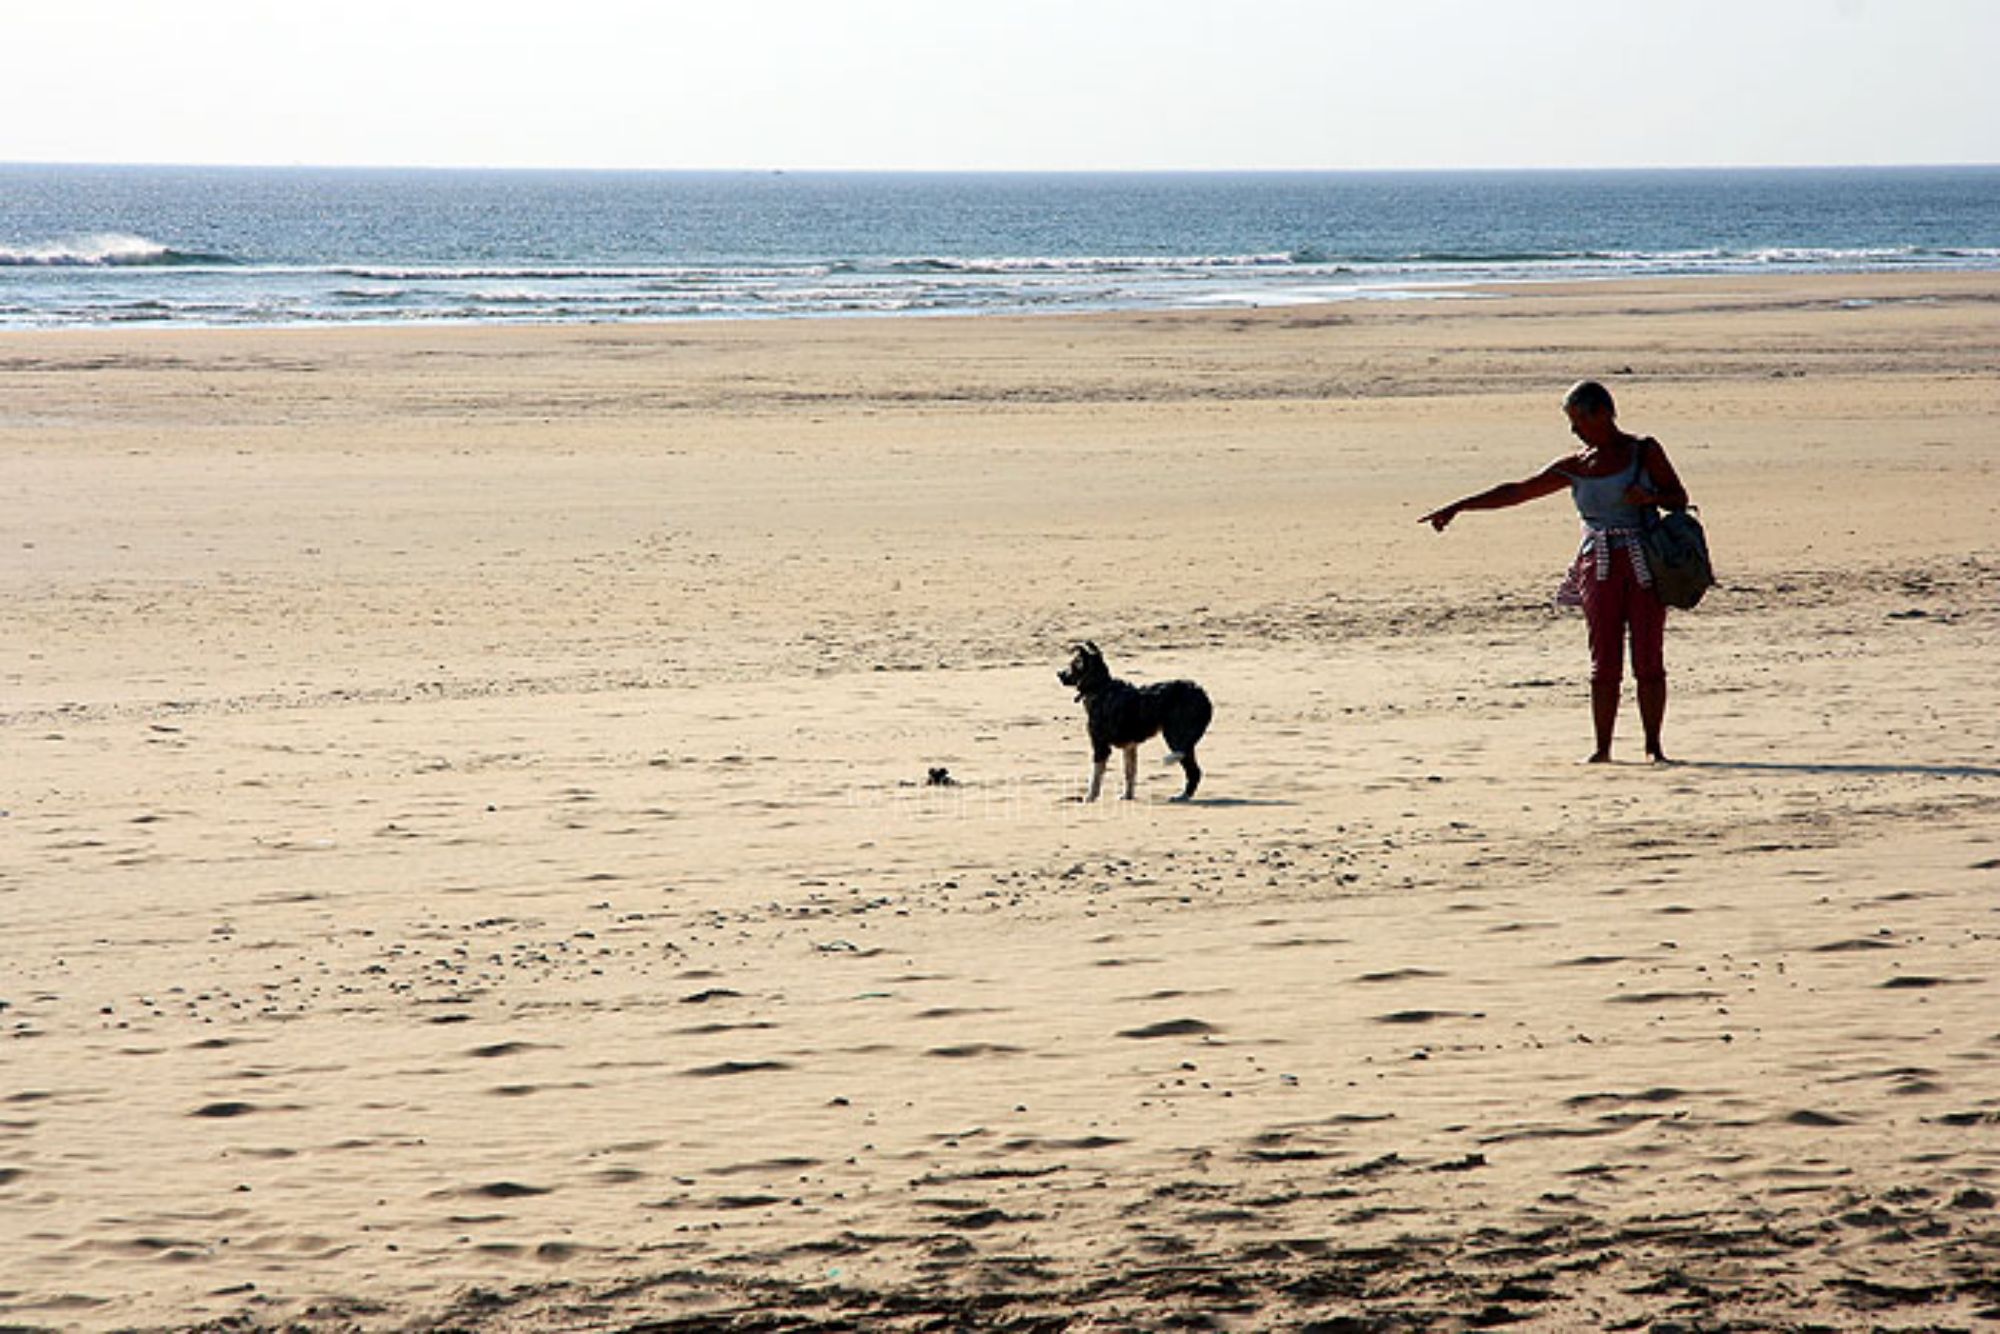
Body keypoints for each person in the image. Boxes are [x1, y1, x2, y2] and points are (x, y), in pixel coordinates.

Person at [1419, 380, 1689, 764]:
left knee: (1648, 659)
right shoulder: (1576, 466)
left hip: (1644, 562)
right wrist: (1459, 507)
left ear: (1603, 413)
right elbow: (1517, 491)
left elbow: (1679, 498)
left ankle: (1653, 747)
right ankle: (1602, 749)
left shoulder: (1644, 451)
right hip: (1598, 567)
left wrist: (1650, 498)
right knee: (1604, 662)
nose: (1574, 430)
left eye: (1579, 420)